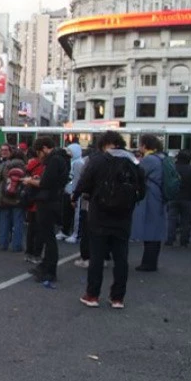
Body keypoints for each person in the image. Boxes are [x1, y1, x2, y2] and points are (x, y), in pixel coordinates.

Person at [73, 131, 145, 309]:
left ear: (104, 144)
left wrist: (77, 197)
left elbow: (83, 184)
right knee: (121, 258)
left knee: (97, 257)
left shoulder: (98, 160)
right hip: (123, 217)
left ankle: (92, 295)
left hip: (99, 214)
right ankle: (117, 298)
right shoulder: (133, 162)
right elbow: (142, 191)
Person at [23, 137, 70, 283]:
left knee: (48, 237)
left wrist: (30, 180)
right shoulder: (62, 159)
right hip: (53, 200)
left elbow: (45, 183)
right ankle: (45, 265)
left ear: (44, 148)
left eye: (39, 152)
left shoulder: (54, 160)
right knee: (47, 235)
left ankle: (50, 270)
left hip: (48, 202)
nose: (39, 156)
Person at [131, 134, 167, 271]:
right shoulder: (161, 157)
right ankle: (151, 262)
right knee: (155, 229)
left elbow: (137, 174)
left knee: (150, 230)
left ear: (145, 145)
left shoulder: (150, 159)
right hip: (159, 196)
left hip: (151, 197)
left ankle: (148, 263)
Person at [166, 150, 191, 247]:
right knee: (186, 220)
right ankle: (184, 240)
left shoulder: (172, 168)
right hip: (189, 199)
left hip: (173, 197)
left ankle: (169, 239)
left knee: (171, 219)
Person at [0, 150, 27, 252]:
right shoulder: (25, 167)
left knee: (4, 221)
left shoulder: (5, 166)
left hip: (5, 196)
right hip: (18, 198)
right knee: (18, 223)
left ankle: (3, 244)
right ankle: (17, 246)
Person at [62, 143, 86, 244]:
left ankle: (76, 234)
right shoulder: (73, 162)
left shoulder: (78, 163)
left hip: (75, 192)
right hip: (71, 191)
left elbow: (76, 180)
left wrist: (74, 193)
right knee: (69, 214)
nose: (68, 153)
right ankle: (68, 232)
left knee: (77, 214)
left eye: (70, 151)